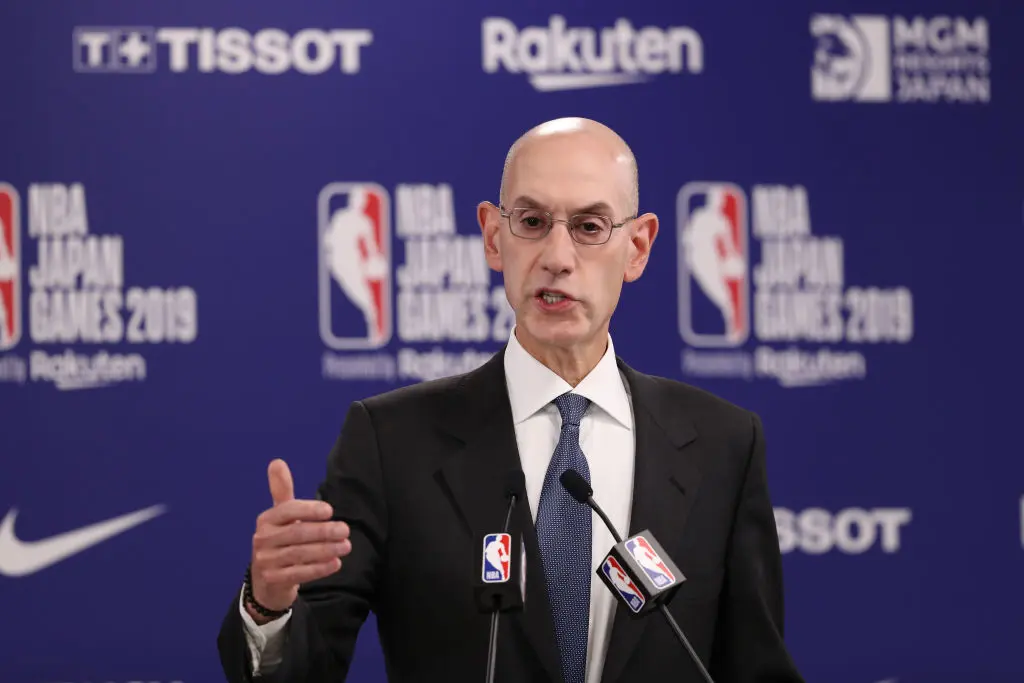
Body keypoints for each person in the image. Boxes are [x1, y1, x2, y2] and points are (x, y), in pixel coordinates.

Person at [217, 117, 803, 683]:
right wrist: (269, 608)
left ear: (638, 247)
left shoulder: (723, 443)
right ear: (495, 238)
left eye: (590, 226)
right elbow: (306, 667)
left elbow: (755, 666)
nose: (557, 255)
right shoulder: (392, 441)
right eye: (532, 221)